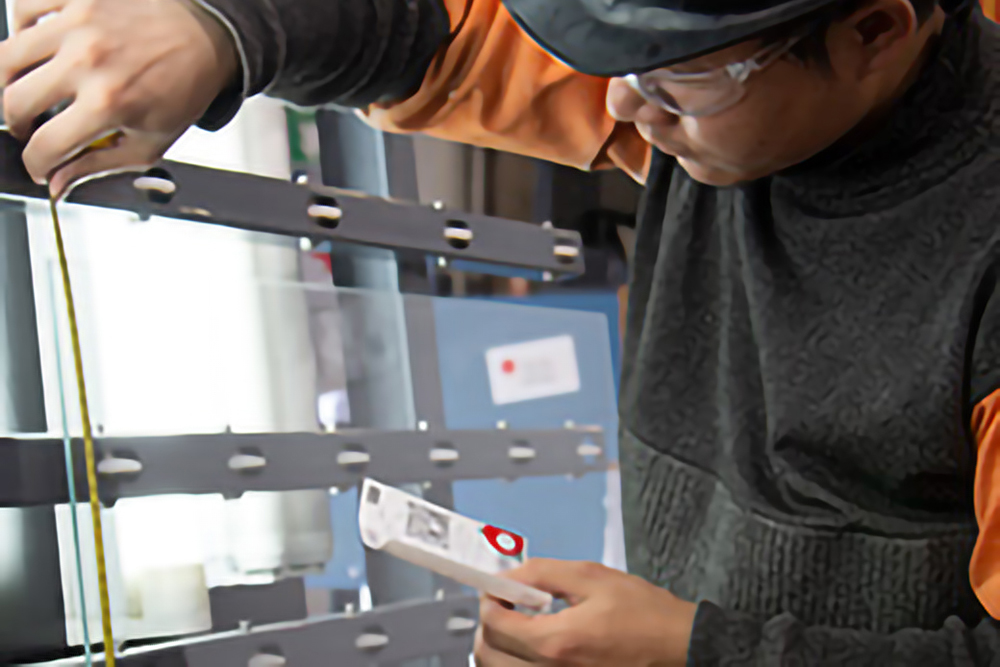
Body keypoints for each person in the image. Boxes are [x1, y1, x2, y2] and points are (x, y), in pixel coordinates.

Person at [2, 0, 999, 663]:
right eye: (605, 63)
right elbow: (436, 35)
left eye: (671, 82)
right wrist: (222, 32)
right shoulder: (732, 74)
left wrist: (691, 650)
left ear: (875, 29)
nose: (615, 104)